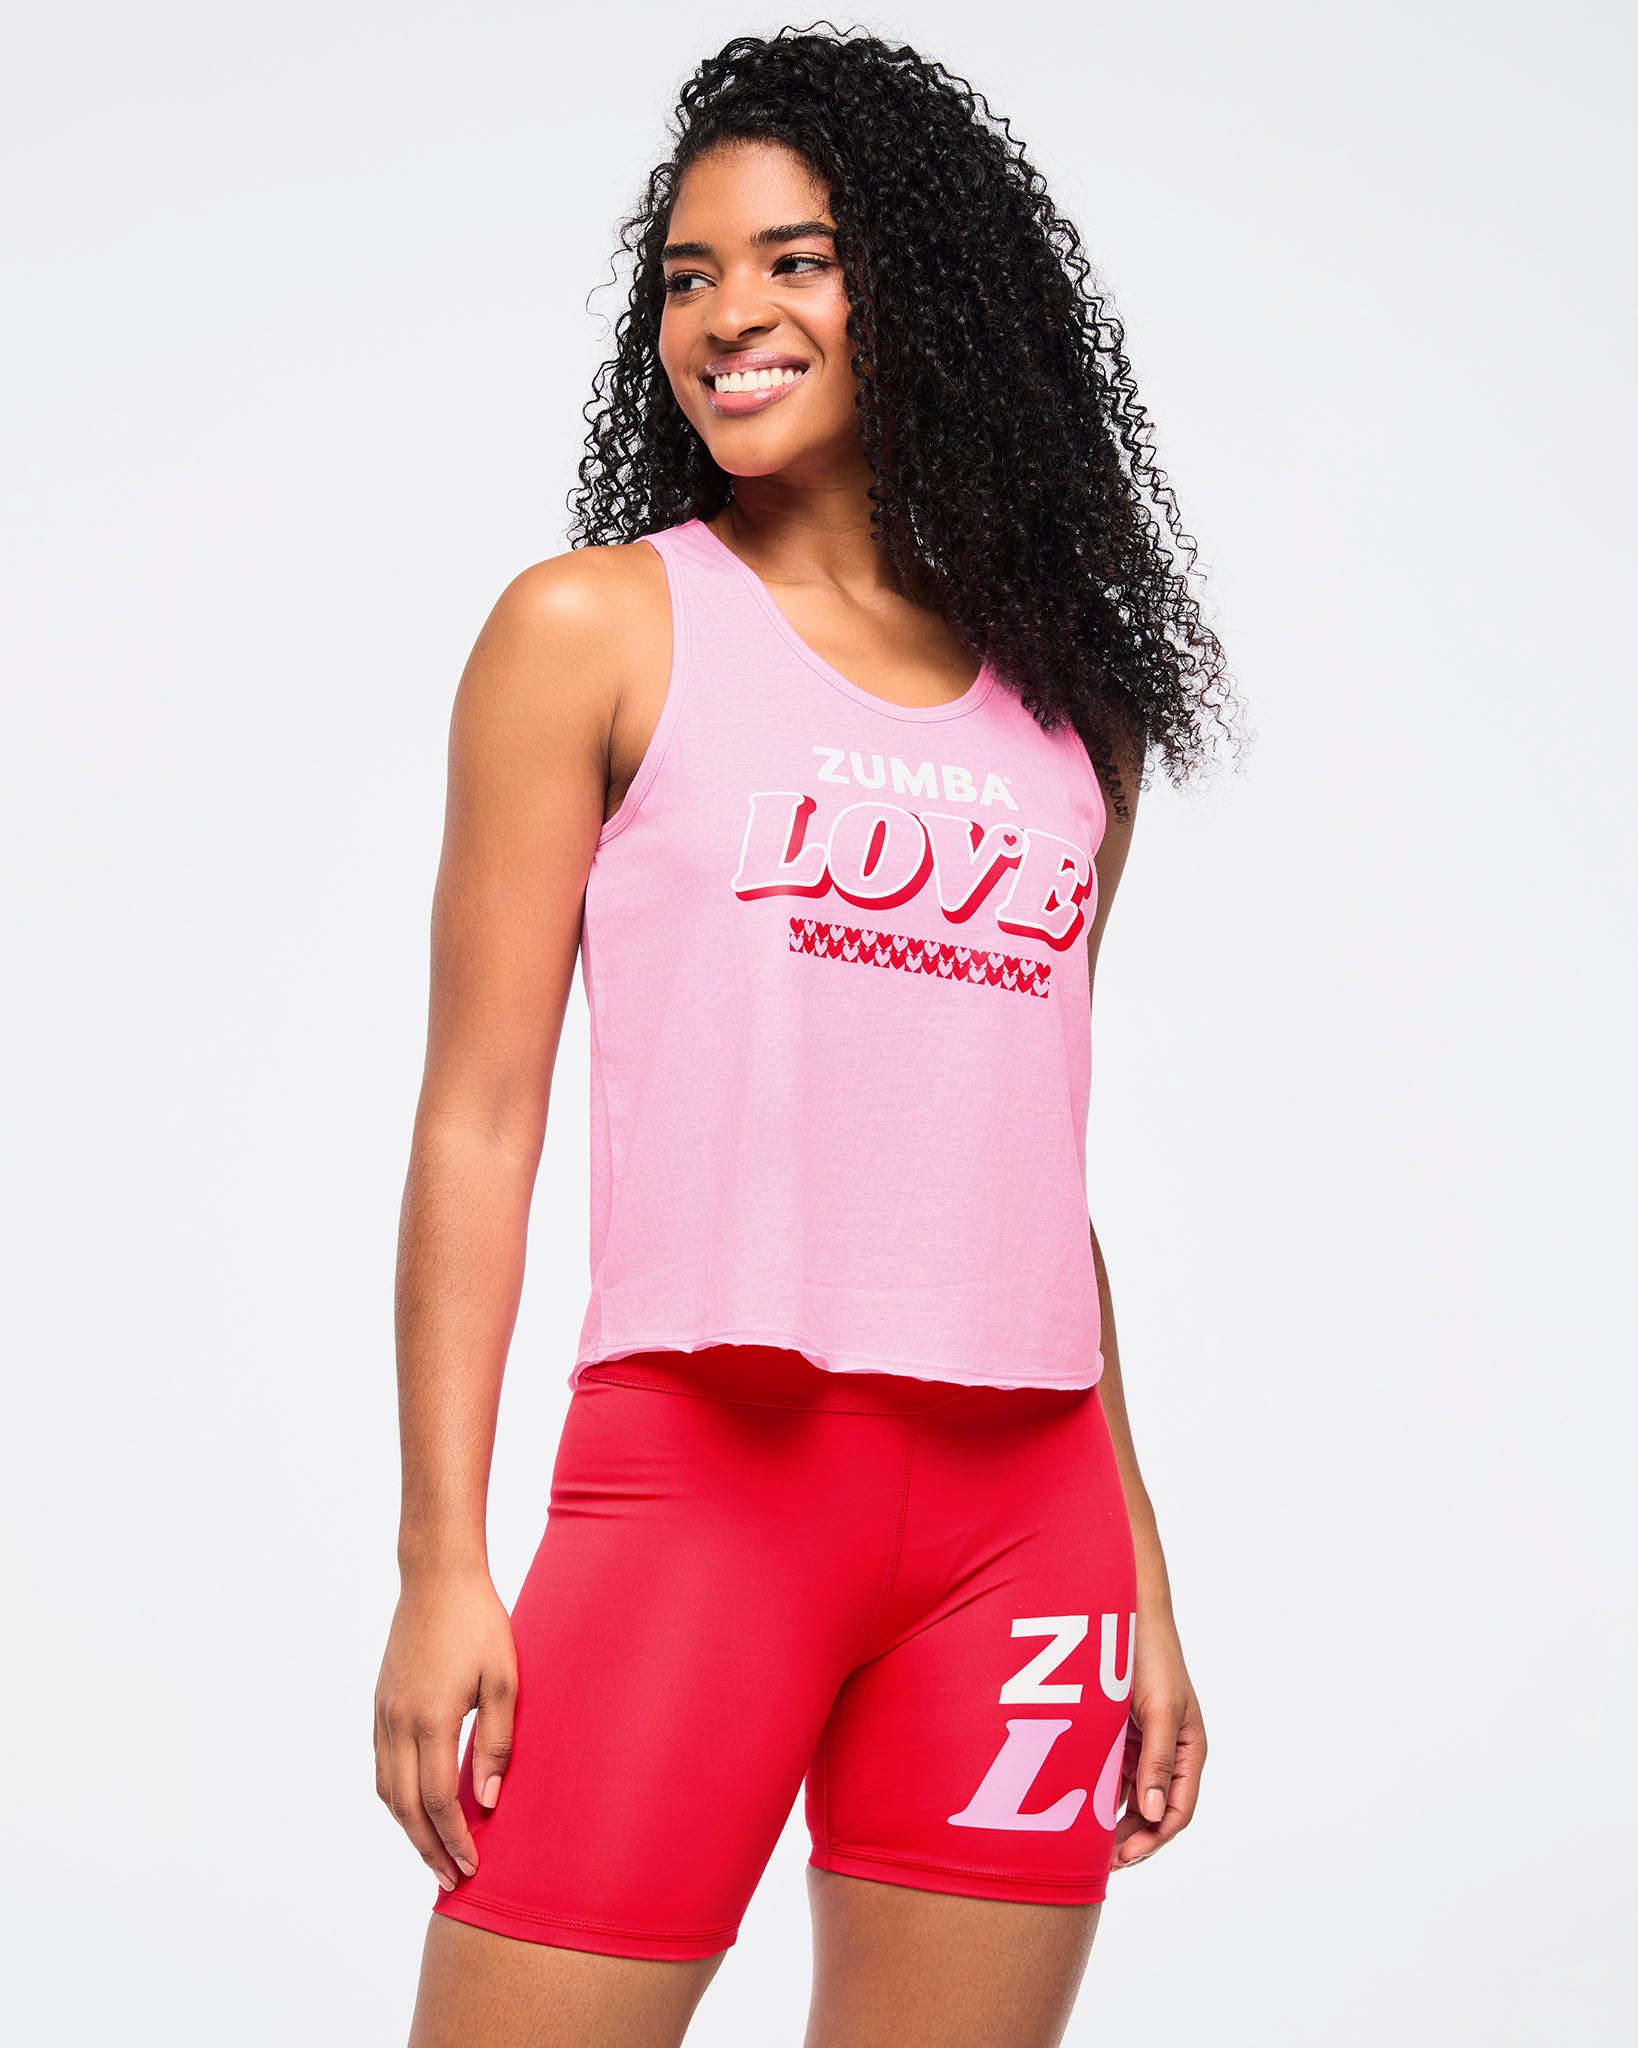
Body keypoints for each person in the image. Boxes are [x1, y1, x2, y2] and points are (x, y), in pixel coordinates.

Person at [375, 27, 1237, 2048]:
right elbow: (479, 1119)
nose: (727, 316)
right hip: (703, 1490)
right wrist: (439, 1559)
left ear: (924, 291)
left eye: (796, 261)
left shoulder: (1073, 716)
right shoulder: (595, 630)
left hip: (1026, 1532)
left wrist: (1142, 1569)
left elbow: (1031, 1169)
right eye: (689, 275)